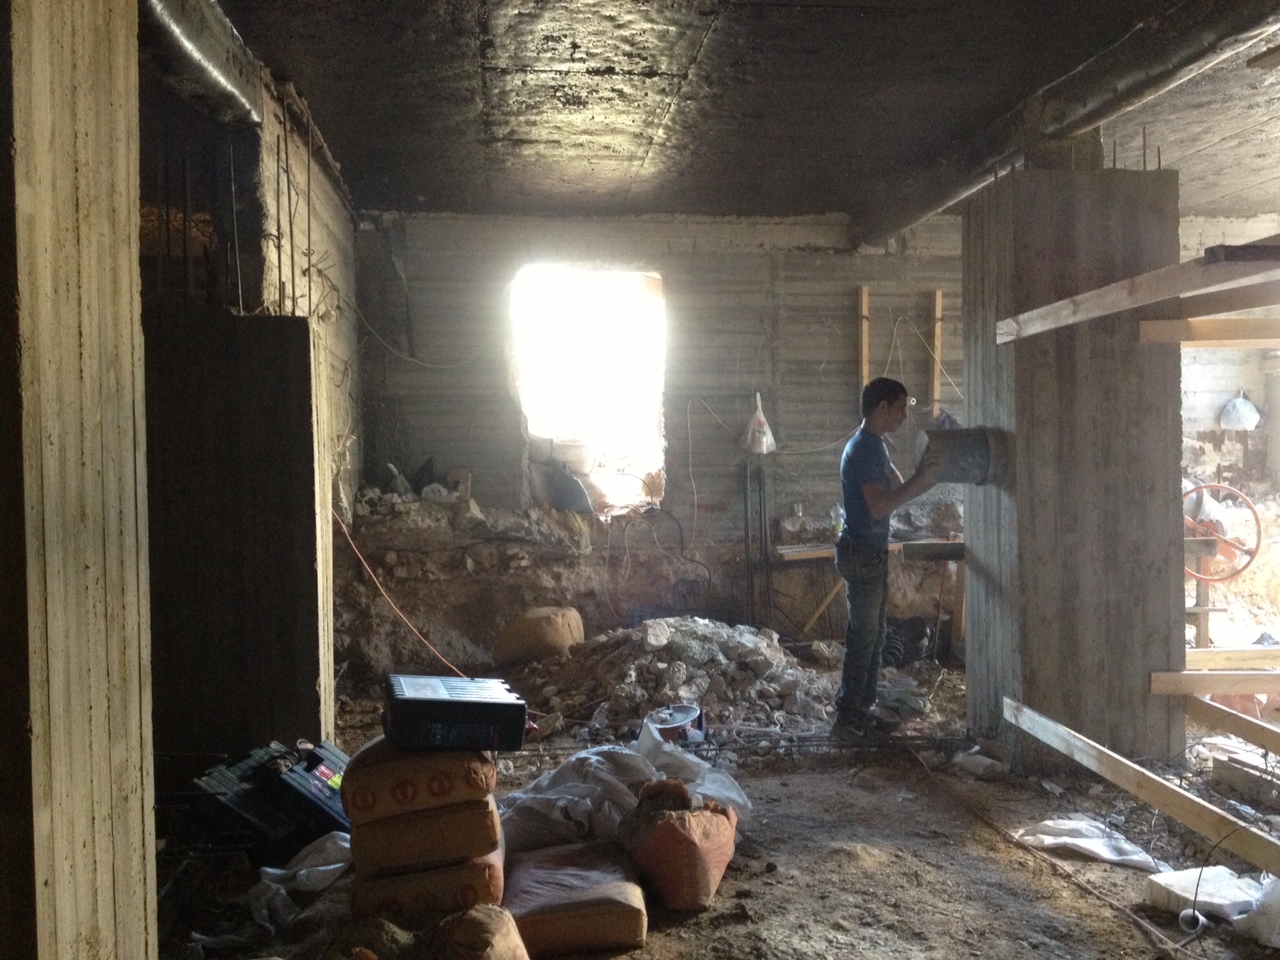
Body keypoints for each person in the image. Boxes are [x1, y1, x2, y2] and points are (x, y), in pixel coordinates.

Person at [833, 377, 940, 737]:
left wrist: (927, 469)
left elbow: (897, 485)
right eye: (900, 408)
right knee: (863, 637)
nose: (903, 417)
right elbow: (879, 507)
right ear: (882, 407)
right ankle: (849, 714)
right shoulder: (864, 449)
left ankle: (863, 707)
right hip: (861, 553)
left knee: (875, 637)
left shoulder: (877, 446)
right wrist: (924, 478)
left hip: (871, 552)